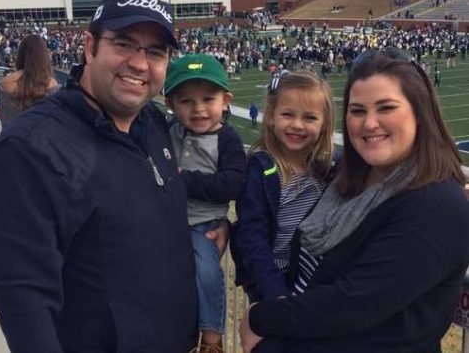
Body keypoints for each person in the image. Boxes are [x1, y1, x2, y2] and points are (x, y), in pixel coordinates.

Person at [0, 0, 226, 352]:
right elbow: (23, 297)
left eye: (155, 51)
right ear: (90, 47)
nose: (139, 63)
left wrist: (213, 227)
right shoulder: (31, 148)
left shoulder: (151, 122)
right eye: (123, 44)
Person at [240, 50, 469, 353]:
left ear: (420, 111)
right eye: (358, 110)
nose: (369, 123)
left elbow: (354, 303)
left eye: (385, 108)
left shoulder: (436, 204)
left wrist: (261, 317)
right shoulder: (344, 176)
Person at [164, 54, 247, 353]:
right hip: (167, 222)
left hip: (203, 224)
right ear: (171, 103)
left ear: (225, 100)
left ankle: (212, 338)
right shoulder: (166, 130)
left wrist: (184, 180)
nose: (198, 109)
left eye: (208, 99)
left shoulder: (227, 139)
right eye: (186, 101)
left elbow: (233, 183)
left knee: (207, 271)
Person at [231, 70, 335, 303]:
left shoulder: (326, 168)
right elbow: (252, 236)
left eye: (309, 118)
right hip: (273, 277)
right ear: (270, 116)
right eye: (288, 114)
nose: (297, 125)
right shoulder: (261, 168)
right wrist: (274, 291)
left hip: (313, 276)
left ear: (324, 123)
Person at [0, 34, 59, 128]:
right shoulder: (52, 85)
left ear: (20, 55)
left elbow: (5, 119)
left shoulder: (6, 85)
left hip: (10, 141)